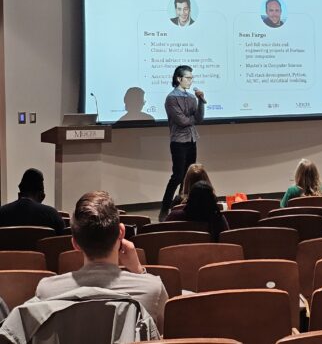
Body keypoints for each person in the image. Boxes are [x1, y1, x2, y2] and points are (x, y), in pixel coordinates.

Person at [35, 191, 168, 329]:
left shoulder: (45, 291)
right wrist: (139, 271)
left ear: (75, 243)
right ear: (121, 232)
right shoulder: (153, 290)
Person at [159, 65, 205, 221]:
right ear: (179, 79)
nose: (191, 81)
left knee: (189, 177)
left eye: (192, 78)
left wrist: (201, 101)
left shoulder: (192, 98)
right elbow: (182, 121)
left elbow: (198, 119)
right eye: (188, 78)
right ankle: (165, 208)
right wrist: (191, 121)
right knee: (177, 176)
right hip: (178, 141)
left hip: (192, 140)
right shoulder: (171, 98)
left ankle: (180, 207)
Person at [0, 168, 65, 234]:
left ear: (19, 194)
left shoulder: (1, 212)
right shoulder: (52, 215)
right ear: (41, 195)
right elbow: (62, 241)